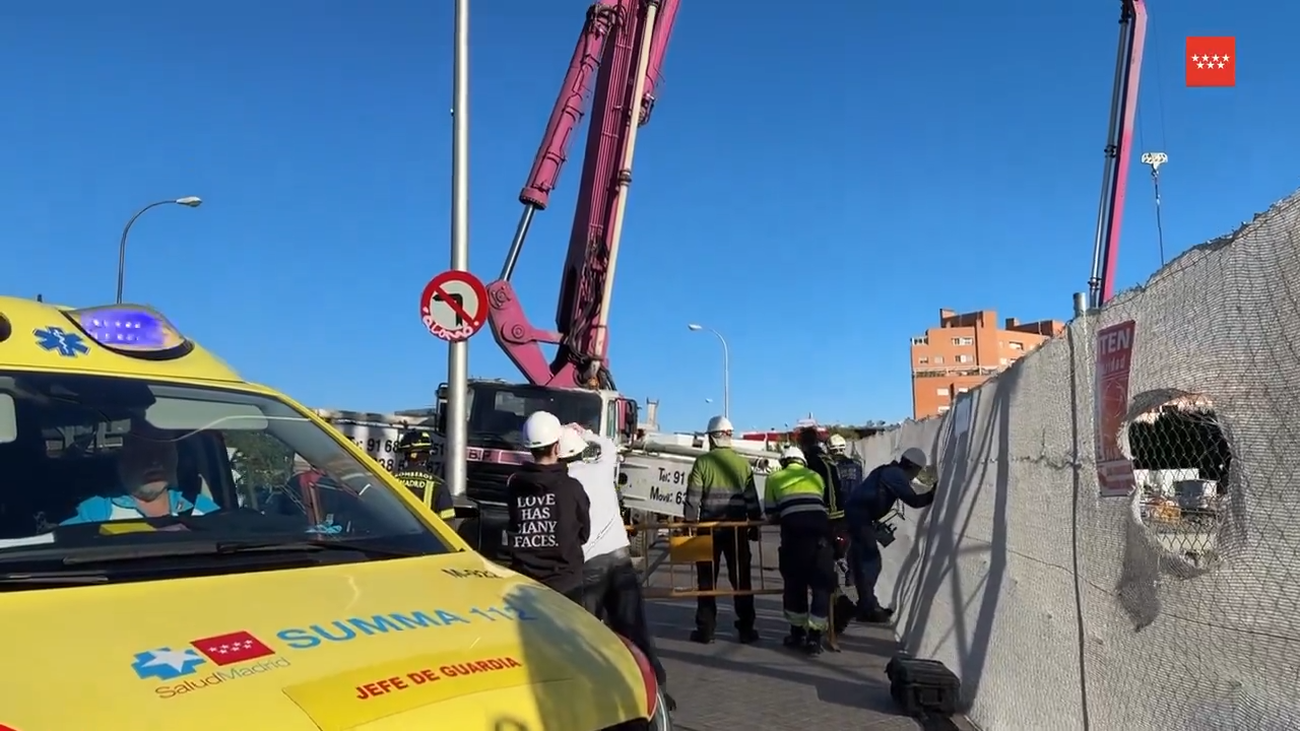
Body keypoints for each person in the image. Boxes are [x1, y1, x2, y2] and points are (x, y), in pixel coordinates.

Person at [560, 427, 673, 711]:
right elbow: (609, 446)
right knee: (634, 628)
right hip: (619, 560)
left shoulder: (564, 483)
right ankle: (656, 692)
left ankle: (589, 697)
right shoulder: (600, 469)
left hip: (588, 566)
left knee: (586, 635)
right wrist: (585, 432)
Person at [683, 415, 763, 644]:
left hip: (708, 530)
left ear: (712, 437)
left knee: (706, 581)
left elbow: (693, 499)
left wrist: (689, 525)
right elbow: (752, 499)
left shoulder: (702, 463)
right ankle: (746, 629)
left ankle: (706, 629)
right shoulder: (742, 463)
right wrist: (755, 525)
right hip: (736, 530)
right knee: (742, 580)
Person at [502, 411, 591, 602]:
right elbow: (584, 534)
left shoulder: (514, 485)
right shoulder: (572, 488)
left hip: (524, 584)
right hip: (566, 586)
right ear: (558, 447)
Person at [845, 447, 937, 623]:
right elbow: (914, 501)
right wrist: (934, 492)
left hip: (858, 516)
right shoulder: (895, 475)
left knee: (862, 561)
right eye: (917, 470)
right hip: (860, 518)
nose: (915, 475)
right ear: (911, 466)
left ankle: (867, 605)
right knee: (871, 562)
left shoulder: (887, 470)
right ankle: (868, 608)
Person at [62, 425, 219, 524]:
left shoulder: (200, 507)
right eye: (143, 452)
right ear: (123, 460)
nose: (155, 461)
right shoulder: (95, 513)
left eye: (164, 450)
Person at [764, 446, 836, 656]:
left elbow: (770, 512)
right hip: (821, 537)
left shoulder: (775, 478)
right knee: (821, 586)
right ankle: (815, 638)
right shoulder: (815, 476)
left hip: (794, 538)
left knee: (795, 585)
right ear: (802, 461)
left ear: (784, 462)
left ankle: (797, 634)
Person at [391, 430, 455, 520]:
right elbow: (448, 523)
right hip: (425, 534)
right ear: (428, 455)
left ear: (405, 455)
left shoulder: (389, 480)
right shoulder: (438, 485)